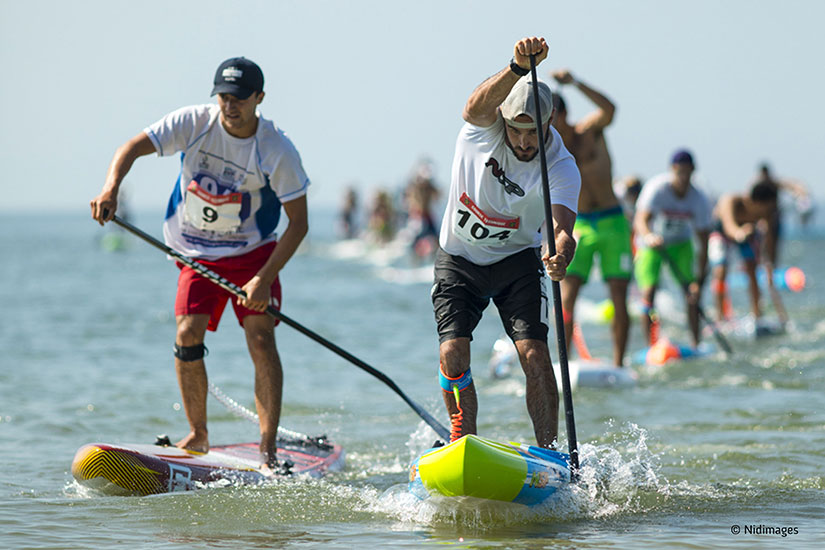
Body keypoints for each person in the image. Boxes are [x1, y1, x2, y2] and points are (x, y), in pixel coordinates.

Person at [90, 57, 310, 471]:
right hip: (196, 252)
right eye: (223, 96)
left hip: (253, 254)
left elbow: (299, 224)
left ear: (259, 98)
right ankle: (198, 433)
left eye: (240, 98)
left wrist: (264, 279)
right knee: (187, 333)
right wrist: (110, 188)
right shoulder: (193, 123)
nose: (230, 105)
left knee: (260, 338)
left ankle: (267, 450)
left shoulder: (276, 149)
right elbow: (130, 148)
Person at [432, 37, 580, 448]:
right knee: (452, 352)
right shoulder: (480, 133)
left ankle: (551, 453)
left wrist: (560, 253)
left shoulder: (561, 165)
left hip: (517, 261)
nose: (525, 142)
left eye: (534, 132)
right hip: (459, 258)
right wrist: (517, 67)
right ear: (503, 120)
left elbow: (561, 229)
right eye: (516, 131)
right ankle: (463, 443)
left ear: (550, 123)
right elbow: (472, 107)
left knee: (534, 354)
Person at [550, 69, 632, 367]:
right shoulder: (549, 148)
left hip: (612, 220)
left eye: (552, 118)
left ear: (563, 115)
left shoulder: (589, 131)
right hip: (579, 223)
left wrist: (575, 83)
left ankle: (619, 364)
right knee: (567, 296)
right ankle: (564, 363)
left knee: (618, 294)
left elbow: (610, 109)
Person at [633, 149, 712, 348]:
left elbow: (704, 242)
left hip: (681, 245)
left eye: (687, 172)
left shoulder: (699, 198)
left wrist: (699, 282)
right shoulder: (657, 188)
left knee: (691, 295)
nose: (683, 177)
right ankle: (650, 346)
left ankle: (696, 344)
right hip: (653, 245)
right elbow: (641, 220)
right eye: (679, 172)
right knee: (649, 292)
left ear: (693, 171)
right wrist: (649, 236)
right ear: (672, 170)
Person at [709, 181, 780, 322]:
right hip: (722, 233)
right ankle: (720, 317)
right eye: (767, 208)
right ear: (757, 202)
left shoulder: (767, 213)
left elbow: (769, 241)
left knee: (752, 269)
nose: (767, 213)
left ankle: (757, 315)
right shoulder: (731, 200)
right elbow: (729, 226)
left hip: (747, 234)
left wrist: (770, 265)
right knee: (720, 271)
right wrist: (740, 233)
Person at [750, 162, 813, 263]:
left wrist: (802, 195)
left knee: (774, 245)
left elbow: (792, 185)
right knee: (762, 244)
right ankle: (765, 265)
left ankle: (772, 265)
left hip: (774, 219)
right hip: (762, 219)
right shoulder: (756, 185)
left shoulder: (774, 183)